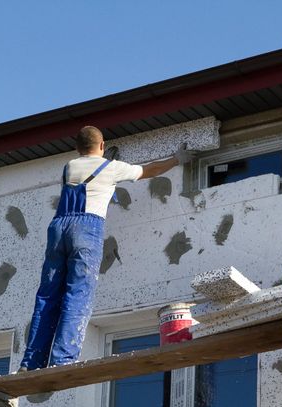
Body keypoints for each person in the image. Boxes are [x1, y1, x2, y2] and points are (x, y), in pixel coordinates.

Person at [19, 125, 193, 371]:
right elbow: (149, 170)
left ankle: (31, 362)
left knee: (47, 296)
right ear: (101, 146)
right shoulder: (111, 168)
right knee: (77, 293)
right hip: (85, 229)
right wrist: (176, 159)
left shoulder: (70, 166)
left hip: (58, 229)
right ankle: (62, 360)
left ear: (77, 148)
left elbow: (89, 177)